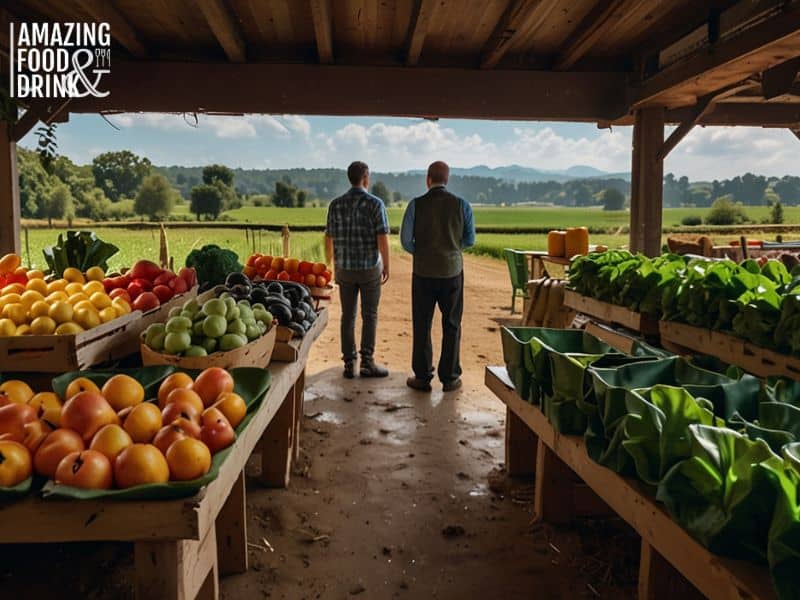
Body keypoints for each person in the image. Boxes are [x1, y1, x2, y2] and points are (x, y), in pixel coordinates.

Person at [400, 161, 475, 392]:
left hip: (423, 273)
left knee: (422, 324)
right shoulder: (462, 205)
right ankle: (450, 378)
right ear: (447, 179)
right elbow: (470, 240)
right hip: (452, 273)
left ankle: (422, 377)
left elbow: (405, 240)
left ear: (428, 179)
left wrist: (422, 252)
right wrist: (452, 249)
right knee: (452, 324)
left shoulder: (415, 205)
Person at [325, 161, 391, 379]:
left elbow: (329, 238)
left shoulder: (335, 204)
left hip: (344, 269)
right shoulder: (375, 204)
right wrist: (387, 265)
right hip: (369, 268)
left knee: (348, 315)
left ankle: (348, 363)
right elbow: (382, 238)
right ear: (365, 178)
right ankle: (367, 363)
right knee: (369, 315)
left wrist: (331, 265)